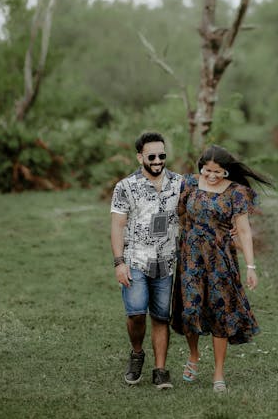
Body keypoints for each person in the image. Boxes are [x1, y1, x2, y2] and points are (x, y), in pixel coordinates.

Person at [171, 144, 272, 392]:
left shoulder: (236, 193)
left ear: (227, 171)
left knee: (220, 314)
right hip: (190, 259)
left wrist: (250, 266)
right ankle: (193, 356)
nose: (212, 176)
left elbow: (245, 231)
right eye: (207, 171)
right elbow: (177, 212)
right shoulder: (189, 185)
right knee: (190, 309)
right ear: (201, 168)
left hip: (221, 262)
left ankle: (218, 374)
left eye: (219, 172)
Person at [111, 131, 182, 389]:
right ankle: (137, 353)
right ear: (140, 156)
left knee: (161, 317)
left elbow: (200, 208)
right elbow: (117, 227)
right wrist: (119, 262)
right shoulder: (125, 187)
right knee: (137, 314)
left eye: (162, 155)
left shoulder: (179, 184)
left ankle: (160, 370)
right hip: (135, 261)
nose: (157, 160)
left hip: (166, 261)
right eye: (151, 156)